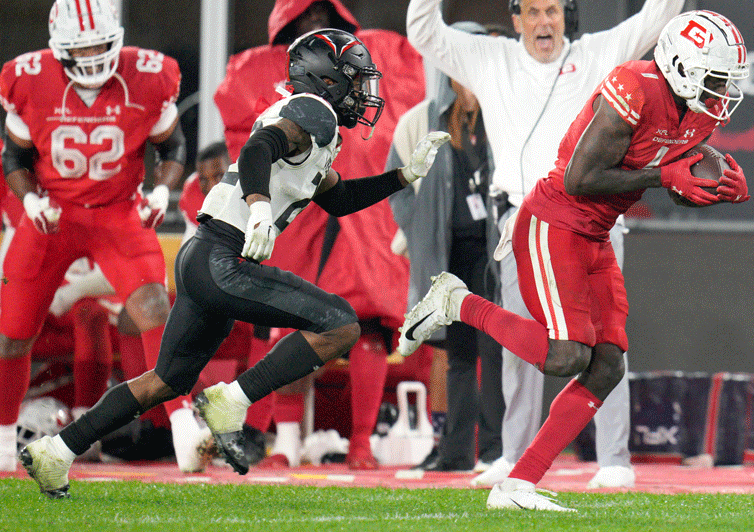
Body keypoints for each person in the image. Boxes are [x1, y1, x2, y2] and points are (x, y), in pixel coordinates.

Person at [19, 28, 450, 498]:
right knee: (341, 324)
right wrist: (261, 208)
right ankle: (232, 401)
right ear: (325, 81)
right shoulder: (314, 112)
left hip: (202, 257)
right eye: (352, 79)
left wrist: (404, 176)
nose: (362, 92)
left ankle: (56, 452)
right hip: (224, 255)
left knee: (164, 382)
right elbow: (258, 148)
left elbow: (341, 198)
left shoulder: (309, 123)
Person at [400, 9, 752, 510]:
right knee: (566, 356)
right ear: (679, 65)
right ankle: (457, 302)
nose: (721, 93)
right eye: (715, 79)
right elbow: (579, 179)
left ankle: (518, 485)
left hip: (598, 232)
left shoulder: (697, 110)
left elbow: (677, 181)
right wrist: (663, 179)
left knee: (607, 364)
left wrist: (717, 190)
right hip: (554, 220)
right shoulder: (634, 86)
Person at [405, 0, 696, 489]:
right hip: (525, 222)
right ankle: (511, 457)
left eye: (554, 11)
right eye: (533, 12)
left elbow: (653, 21)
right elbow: (424, 34)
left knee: (608, 343)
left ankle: (613, 460)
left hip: (593, 223)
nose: (545, 21)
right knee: (520, 348)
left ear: (567, 17)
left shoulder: (594, 55)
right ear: (516, 22)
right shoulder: (489, 60)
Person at [215, 0, 426, 470]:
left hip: (359, 209)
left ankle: (360, 441)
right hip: (301, 206)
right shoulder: (262, 77)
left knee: (372, 321)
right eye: (305, 20)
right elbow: (250, 148)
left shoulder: (374, 55)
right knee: (291, 321)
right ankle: (283, 439)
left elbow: (396, 112)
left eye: (323, 18)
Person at [0, 0, 198, 473]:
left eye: (100, 45)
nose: (93, 57)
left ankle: (184, 424)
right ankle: (4, 435)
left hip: (116, 212)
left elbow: (172, 146)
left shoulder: (147, 75)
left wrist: (159, 192)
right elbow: (16, 157)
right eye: (82, 48)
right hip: (54, 216)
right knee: (12, 333)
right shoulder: (30, 79)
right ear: (58, 49)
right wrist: (29, 199)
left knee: (155, 306)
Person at [387, 21, 504, 472]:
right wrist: (417, 229)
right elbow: (396, 181)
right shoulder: (421, 120)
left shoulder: (501, 113)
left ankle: (495, 450)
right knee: (459, 354)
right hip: (446, 252)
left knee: (494, 351)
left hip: (492, 253)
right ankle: (456, 452)